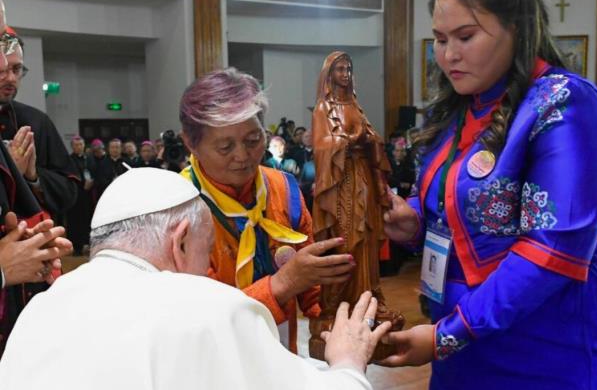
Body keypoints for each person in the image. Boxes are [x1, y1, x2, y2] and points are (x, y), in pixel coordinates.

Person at [378, 0, 597, 388]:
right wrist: (413, 223)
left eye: (465, 36)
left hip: (551, 343)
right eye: (440, 40)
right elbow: (459, 212)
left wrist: (447, 336)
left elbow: (553, 250)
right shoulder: (460, 109)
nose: (449, 55)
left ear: (516, 28)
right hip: (465, 341)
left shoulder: (565, 103)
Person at [0, 167, 391, 389]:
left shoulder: (41, 309)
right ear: (182, 239)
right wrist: (349, 364)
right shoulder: (208, 307)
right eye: (205, 256)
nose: (205, 272)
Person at [179, 68, 355, 353]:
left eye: (252, 140)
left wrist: (338, 314)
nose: (243, 156)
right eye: (225, 147)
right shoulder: (176, 208)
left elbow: (312, 285)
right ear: (190, 142)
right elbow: (201, 318)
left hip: (281, 352)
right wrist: (282, 284)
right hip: (214, 360)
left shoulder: (282, 188)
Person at [311, 51, 403, 351]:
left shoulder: (354, 105)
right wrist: (348, 141)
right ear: (329, 74)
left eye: (348, 69)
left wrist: (368, 139)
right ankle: (335, 306)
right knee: (345, 240)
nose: (346, 74)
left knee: (365, 243)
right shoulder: (324, 108)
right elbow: (321, 145)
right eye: (340, 69)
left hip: (362, 177)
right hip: (340, 184)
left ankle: (368, 301)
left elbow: (373, 137)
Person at [0, 31, 78, 218]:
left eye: (17, 69)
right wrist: (11, 172)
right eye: (1, 70)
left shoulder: (37, 121)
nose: (11, 78)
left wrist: (33, 176)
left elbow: (69, 191)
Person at [66, 136, 94, 255]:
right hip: (75, 195)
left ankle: (87, 244)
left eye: (81, 144)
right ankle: (76, 247)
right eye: (76, 145)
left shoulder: (89, 158)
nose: (79, 147)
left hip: (88, 195)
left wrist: (91, 182)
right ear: (72, 146)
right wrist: (83, 183)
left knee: (87, 219)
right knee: (75, 221)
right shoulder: (68, 160)